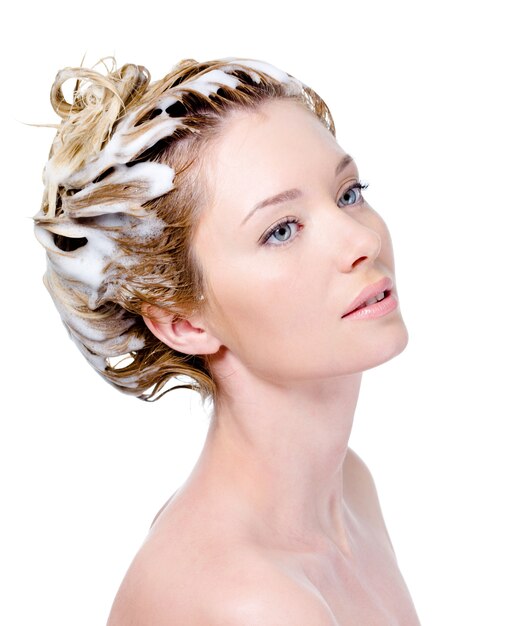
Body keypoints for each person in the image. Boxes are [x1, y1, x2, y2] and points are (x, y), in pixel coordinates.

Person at [33, 56, 421, 625]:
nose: (360, 239)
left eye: (347, 193)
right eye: (280, 230)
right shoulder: (251, 603)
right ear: (183, 322)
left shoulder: (349, 489)